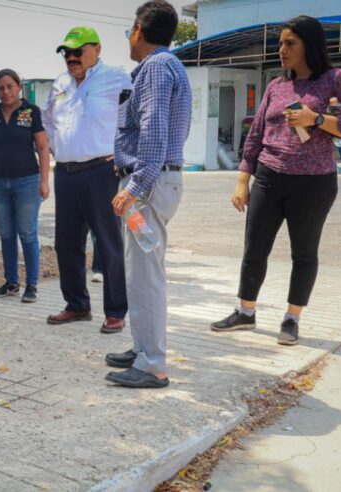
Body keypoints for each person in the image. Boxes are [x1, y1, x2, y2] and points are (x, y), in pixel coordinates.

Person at [209, 16, 341, 346]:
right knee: (254, 248)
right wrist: (243, 180)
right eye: (280, 43)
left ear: (309, 45)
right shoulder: (275, 86)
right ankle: (246, 312)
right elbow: (255, 136)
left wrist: (317, 119)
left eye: (289, 44)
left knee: (304, 253)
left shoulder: (335, 79)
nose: (281, 50)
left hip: (313, 183)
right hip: (269, 177)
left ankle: (292, 318)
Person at [106, 0, 192, 389]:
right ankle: (142, 349)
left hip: (148, 186)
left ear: (140, 30)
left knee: (146, 275)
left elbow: (154, 131)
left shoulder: (156, 67)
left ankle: (154, 364)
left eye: (131, 28)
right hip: (153, 180)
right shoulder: (166, 66)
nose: (129, 35)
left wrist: (135, 188)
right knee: (139, 272)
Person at [42, 26, 131, 334]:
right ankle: (77, 305)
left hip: (101, 172)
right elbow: (47, 120)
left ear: (97, 49)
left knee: (108, 244)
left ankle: (116, 310)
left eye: (78, 51)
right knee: (66, 244)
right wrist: (58, 148)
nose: (71, 57)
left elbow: (134, 118)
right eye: (67, 52)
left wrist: (123, 154)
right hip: (65, 173)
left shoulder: (117, 78)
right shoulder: (61, 83)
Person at [0, 69, 50, 303]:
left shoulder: (31, 112)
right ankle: (11, 282)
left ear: (18, 87)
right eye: (0, 88)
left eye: (9, 86)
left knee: (27, 234)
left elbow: (43, 148)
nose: (5, 92)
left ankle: (32, 285)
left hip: (27, 182)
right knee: (6, 235)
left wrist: (45, 181)